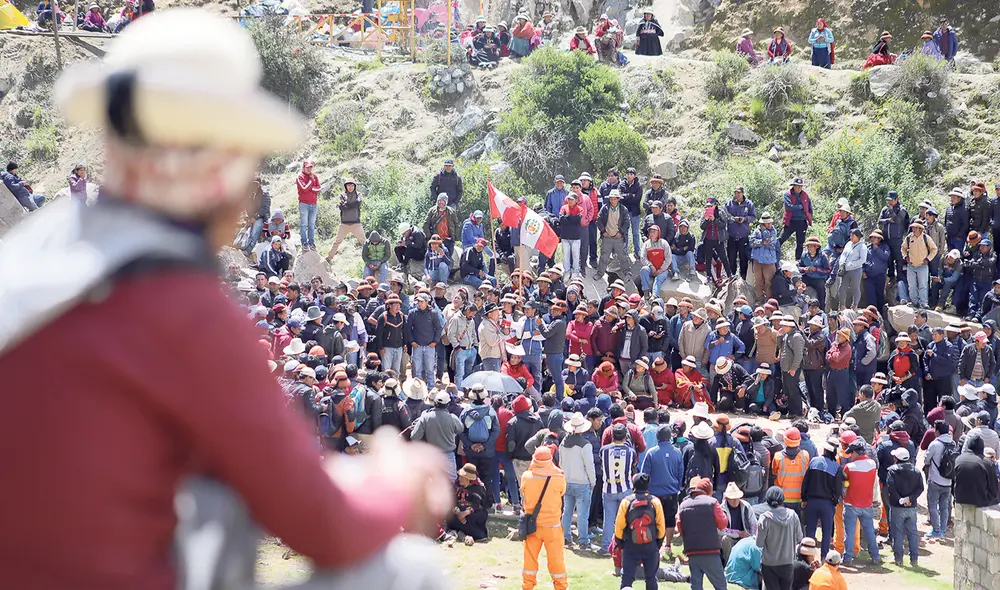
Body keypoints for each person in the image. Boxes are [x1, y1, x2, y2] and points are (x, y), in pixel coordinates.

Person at [0, 9, 456, 588]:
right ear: (225, 170)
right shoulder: (175, 305)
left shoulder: (32, 254)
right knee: (408, 572)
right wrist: (397, 480)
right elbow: (326, 523)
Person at [520, 446, 568, 590]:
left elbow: (524, 491)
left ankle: (527, 586)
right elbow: (562, 492)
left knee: (530, 561)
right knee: (556, 561)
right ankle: (560, 587)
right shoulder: (559, 477)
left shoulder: (526, 476)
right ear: (550, 460)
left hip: (532, 526)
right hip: (552, 527)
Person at [614, 472, 666, 589]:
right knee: (651, 578)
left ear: (634, 485)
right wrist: (658, 542)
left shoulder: (626, 502)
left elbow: (619, 525)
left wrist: (620, 542)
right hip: (650, 545)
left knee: (627, 578)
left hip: (631, 545)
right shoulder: (655, 501)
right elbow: (661, 525)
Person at [677, 476, 729, 590]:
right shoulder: (712, 502)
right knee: (720, 585)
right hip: (710, 551)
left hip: (692, 552)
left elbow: (680, 527)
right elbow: (723, 524)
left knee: (696, 586)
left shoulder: (683, 505)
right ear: (709, 491)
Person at [800, 438, 844, 559]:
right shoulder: (836, 467)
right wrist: (834, 502)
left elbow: (806, 482)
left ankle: (807, 557)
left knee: (810, 531)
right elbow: (838, 489)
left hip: (812, 502)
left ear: (824, 450)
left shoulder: (814, 461)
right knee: (826, 532)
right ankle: (824, 558)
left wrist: (804, 498)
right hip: (827, 504)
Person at [841, 440, 881, 565]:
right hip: (867, 504)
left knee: (850, 532)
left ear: (855, 453)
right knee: (869, 531)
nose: (850, 456)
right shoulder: (872, 464)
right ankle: (875, 556)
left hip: (851, 504)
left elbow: (845, 482)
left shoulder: (849, 467)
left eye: (851, 453)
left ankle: (847, 558)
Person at [560, 412, 597, 549]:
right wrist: (593, 482)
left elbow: (561, 463)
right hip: (582, 483)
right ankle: (583, 541)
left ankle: (565, 538)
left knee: (567, 511)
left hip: (567, 481)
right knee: (582, 514)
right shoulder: (585, 445)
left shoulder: (563, 443)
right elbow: (589, 465)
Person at [757, 486, 803, 590]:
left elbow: (759, 543)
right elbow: (800, 538)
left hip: (769, 564)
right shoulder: (793, 515)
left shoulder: (764, 518)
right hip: (788, 562)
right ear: (782, 499)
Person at [885, 446, 923, 566]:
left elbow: (891, 487)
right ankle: (914, 560)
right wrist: (910, 499)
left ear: (897, 458)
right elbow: (920, 488)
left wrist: (901, 500)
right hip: (911, 507)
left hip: (897, 507)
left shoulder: (892, 471)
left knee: (897, 533)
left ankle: (898, 559)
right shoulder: (916, 471)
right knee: (912, 533)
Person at [324, 178, 366, 261]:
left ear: (354, 186)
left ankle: (371, 258)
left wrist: (346, 205)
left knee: (364, 242)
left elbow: (357, 203)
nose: (350, 187)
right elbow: (342, 206)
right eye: (348, 185)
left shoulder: (358, 194)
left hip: (356, 224)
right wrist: (347, 206)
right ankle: (329, 258)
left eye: (352, 185)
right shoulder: (342, 195)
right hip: (344, 224)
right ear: (346, 186)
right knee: (337, 242)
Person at [901, 220, 938, 309]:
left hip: (922, 265)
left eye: (915, 227)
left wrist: (928, 259)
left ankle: (924, 302)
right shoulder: (909, 237)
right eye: (913, 227)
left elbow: (934, 249)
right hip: (911, 265)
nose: (913, 229)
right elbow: (903, 248)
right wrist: (905, 257)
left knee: (923, 285)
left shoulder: (926, 238)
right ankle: (914, 302)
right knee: (912, 285)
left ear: (920, 228)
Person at [779, 178, 812, 261]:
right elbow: (789, 207)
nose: (799, 188)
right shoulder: (787, 194)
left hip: (802, 222)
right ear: (793, 186)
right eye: (797, 186)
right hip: (790, 221)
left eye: (801, 186)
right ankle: (774, 257)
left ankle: (798, 261)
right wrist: (800, 207)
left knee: (800, 243)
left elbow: (809, 208)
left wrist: (809, 218)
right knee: (781, 239)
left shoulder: (805, 195)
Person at [639, 225, 672, 297]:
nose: (651, 234)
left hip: (663, 270)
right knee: (644, 270)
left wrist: (661, 269)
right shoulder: (646, 244)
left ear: (658, 233)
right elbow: (642, 257)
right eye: (650, 232)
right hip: (651, 269)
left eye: (654, 232)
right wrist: (650, 266)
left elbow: (668, 258)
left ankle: (655, 295)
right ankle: (646, 292)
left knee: (658, 278)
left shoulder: (664, 243)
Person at [295, 160, 321, 251]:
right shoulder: (300, 177)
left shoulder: (315, 176)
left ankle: (311, 242)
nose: (309, 169)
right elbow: (304, 188)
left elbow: (319, 188)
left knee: (312, 224)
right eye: (307, 167)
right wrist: (311, 181)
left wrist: (311, 188)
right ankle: (304, 243)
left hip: (313, 204)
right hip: (304, 204)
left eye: (311, 167)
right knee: (303, 224)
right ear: (303, 168)